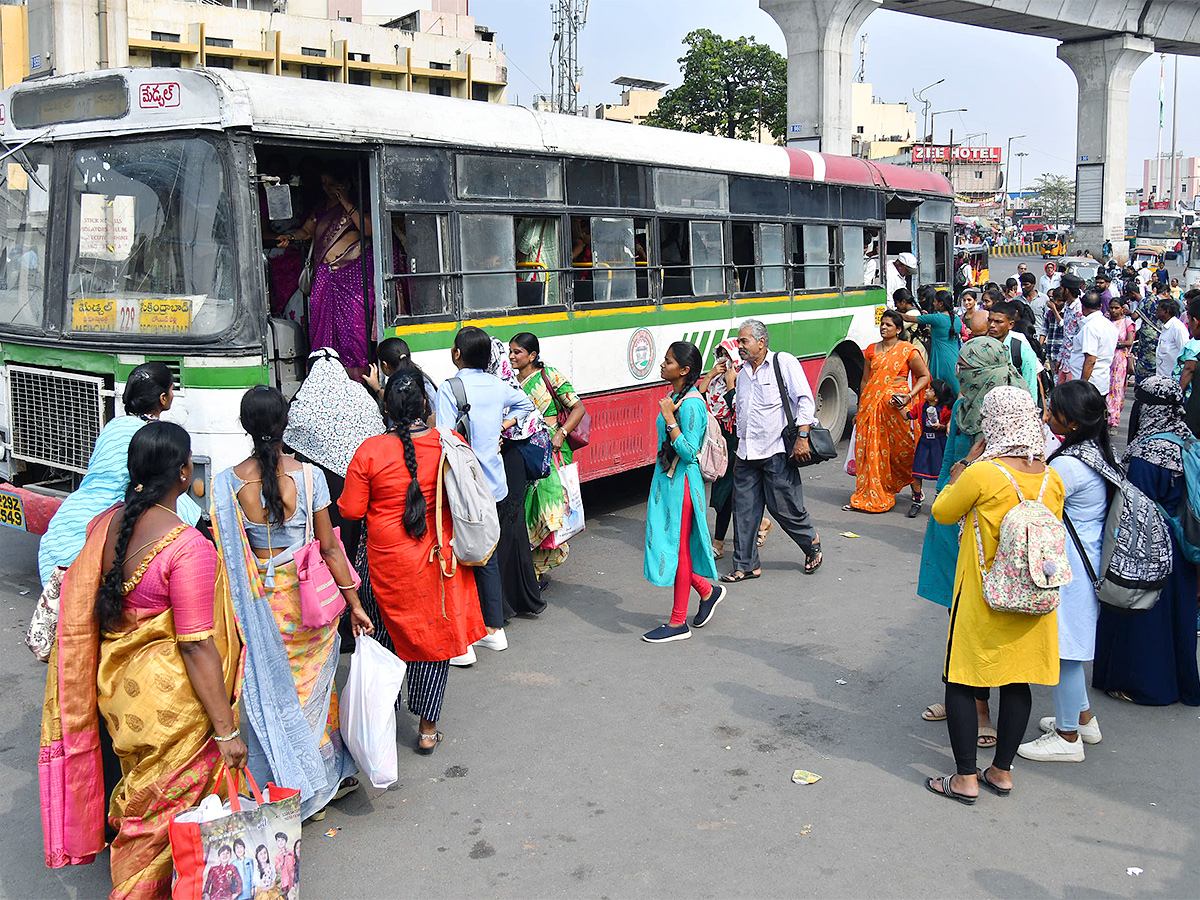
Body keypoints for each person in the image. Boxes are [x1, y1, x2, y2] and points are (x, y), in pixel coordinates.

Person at [39, 423, 245, 898]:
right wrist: (227, 732)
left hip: (118, 697)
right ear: (183, 473)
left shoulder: (108, 527)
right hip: (171, 713)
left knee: (142, 804)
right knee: (163, 824)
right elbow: (196, 646)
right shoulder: (187, 548)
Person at [211, 386, 371, 823]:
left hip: (260, 609)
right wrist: (353, 603)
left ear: (246, 427)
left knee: (269, 698)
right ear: (285, 425)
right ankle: (314, 787)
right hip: (308, 608)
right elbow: (331, 550)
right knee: (312, 696)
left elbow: (226, 554)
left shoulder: (227, 484)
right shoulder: (309, 478)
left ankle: (279, 783)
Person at [925, 386, 1064, 804]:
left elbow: (943, 511)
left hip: (984, 598)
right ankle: (1001, 772)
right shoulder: (1050, 478)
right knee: (1016, 680)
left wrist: (964, 462)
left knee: (963, 680)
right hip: (1032, 599)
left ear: (993, 423)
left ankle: (965, 777)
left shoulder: (983, 474)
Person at [340, 370, 486, 743]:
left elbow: (352, 511)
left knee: (382, 646)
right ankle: (426, 730)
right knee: (433, 644)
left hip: (381, 567)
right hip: (436, 564)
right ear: (425, 404)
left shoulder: (369, 450)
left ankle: (382, 726)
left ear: (385, 406)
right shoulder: (448, 442)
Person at [916, 338, 1026, 736]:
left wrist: (968, 472)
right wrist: (943, 500)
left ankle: (981, 710)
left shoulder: (1009, 408)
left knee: (987, 621)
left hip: (995, 529)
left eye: (965, 366)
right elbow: (950, 461)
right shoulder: (964, 405)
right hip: (956, 516)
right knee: (956, 614)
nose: (958, 372)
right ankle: (958, 695)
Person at [37, 361, 202, 586]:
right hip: (106, 522)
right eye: (172, 389)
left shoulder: (113, 426)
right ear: (163, 399)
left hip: (66, 525)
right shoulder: (152, 437)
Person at [1017, 381, 1111, 763]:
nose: (1046, 415)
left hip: (1072, 569)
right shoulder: (1094, 450)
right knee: (1069, 647)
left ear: (1070, 421)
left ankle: (1068, 737)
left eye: (1052, 411)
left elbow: (1032, 501)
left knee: (1065, 652)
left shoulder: (1069, 465)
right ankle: (1083, 718)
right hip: (1086, 563)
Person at [1093, 377, 1200, 706]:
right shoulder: (1187, 441)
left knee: (1143, 610)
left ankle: (1146, 685)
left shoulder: (1146, 451)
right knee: (1178, 616)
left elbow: (1134, 503)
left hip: (1149, 544)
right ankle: (1183, 684)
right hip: (1182, 543)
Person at [436, 327, 536, 651]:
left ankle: (469, 630)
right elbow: (526, 405)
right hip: (493, 483)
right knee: (486, 551)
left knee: (457, 551)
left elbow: (444, 438)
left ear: (456, 354)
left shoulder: (450, 388)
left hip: (462, 484)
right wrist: (502, 427)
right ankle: (493, 627)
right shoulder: (498, 385)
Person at [722, 319, 823, 582]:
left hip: (777, 449)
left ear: (761, 342)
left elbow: (804, 400)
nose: (739, 346)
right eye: (739, 341)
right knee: (743, 510)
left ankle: (810, 541)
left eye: (744, 341)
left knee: (784, 507)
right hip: (746, 453)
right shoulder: (742, 373)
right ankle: (746, 564)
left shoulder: (783, 362)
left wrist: (802, 437)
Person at [641, 341, 725, 642]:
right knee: (671, 546)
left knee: (677, 549)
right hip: (668, 482)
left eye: (668, 362)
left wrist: (669, 419)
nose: (663, 365)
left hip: (683, 485)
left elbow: (690, 452)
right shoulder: (676, 396)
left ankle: (678, 622)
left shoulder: (690, 403)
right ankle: (706, 590)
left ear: (684, 370)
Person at [277, 163, 373, 380]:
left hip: (352, 279)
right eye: (324, 184)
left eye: (332, 183)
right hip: (324, 277)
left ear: (344, 183)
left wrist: (346, 201)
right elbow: (306, 231)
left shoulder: (357, 204)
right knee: (321, 327)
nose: (327, 188)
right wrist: (290, 238)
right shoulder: (321, 208)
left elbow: (368, 229)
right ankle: (324, 378)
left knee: (352, 331)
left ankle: (356, 381)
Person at [508, 332, 588, 578]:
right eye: (510, 351)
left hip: (550, 451)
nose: (511, 356)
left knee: (546, 511)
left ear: (532, 355)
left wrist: (561, 434)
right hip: (522, 451)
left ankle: (538, 569)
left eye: (517, 352)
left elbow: (578, 408)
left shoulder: (549, 376)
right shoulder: (508, 380)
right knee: (525, 509)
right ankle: (527, 568)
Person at [844, 310, 931, 514]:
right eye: (882, 324)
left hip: (897, 408)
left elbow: (924, 376)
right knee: (873, 449)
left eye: (889, 325)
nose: (884, 327)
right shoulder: (871, 350)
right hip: (872, 407)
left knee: (903, 449)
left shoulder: (908, 351)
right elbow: (865, 381)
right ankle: (874, 491)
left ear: (898, 329)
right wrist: (860, 408)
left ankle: (915, 490)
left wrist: (909, 396)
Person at [898, 288, 961, 393]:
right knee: (955, 389)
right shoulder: (957, 319)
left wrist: (890, 312)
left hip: (941, 358)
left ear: (941, 304)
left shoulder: (936, 318)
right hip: (954, 356)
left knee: (938, 388)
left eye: (935, 301)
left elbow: (908, 318)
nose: (933, 303)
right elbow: (944, 334)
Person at [908, 379, 954, 518]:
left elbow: (949, 426)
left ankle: (940, 502)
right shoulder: (920, 407)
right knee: (916, 474)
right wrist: (897, 406)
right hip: (924, 443)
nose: (926, 391)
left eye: (930, 390)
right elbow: (908, 416)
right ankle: (917, 501)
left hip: (939, 444)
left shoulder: (945, 411)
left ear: (937, 396)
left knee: (942, 474)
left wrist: (941, 426)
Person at [363, 336, 438, 414]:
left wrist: (376, 388)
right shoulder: (423, 379)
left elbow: (395, 404)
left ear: (385, 365)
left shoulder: (398, 385)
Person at [1068, 291, 1118, 394]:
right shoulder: (1110, 325)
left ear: (1083, 307)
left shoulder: (1090, 327)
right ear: (1100, 306)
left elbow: (1090, 360)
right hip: (1101, 380)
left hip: (1089, 383)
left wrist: (1082, 386)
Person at [987, 302, 1039, 398]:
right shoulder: (981, 346)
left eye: (998, 322)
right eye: (990, 320)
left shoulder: (1021, 350)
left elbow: (1030, 386)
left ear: (1011, 324)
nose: (992, 325)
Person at [1106, 297, 1136, 428]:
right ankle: (1105, 416)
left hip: (1120, 359)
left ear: (1122, 309)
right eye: (1111, 307)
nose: (1113, 310)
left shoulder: (1127, 323)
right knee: (1106, 388)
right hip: (1106, 358)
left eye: (1116, 308)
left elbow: (1129, 342)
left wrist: (1114, 343)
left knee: (1117, 388)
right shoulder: (1106, 322)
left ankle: (1114, 419)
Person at [1155, 297, 1188, 378]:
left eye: (1158, 309)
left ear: (1166, 311)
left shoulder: (1177, 328)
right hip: (1161, 375)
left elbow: (1184, 354)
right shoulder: (1165, 326)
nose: (1155, 311)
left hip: (1172, 378)